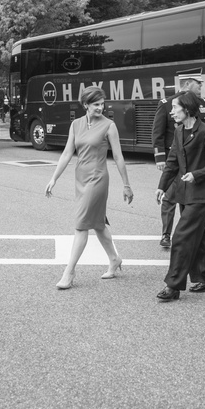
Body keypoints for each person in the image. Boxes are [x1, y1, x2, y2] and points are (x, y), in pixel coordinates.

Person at [45, 85, 133, 290]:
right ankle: (114, 259)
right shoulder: (76, 124)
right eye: (96, 104)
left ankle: (69, 272)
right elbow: (67, 153)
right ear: (85, 105)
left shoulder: (109, 126)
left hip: (98, 179)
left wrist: (126, 185)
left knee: (81, 225)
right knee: (98, 224)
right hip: (81, 178)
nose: (100, 108)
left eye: (102, 104)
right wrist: (53, 178)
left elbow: (118, 157)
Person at [154, 91, 205, 301]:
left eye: (175, 108)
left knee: (182, 237)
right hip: (183, 193)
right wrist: (162, 187)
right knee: (199, 236)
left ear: (187, 109)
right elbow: (172, 162)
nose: (172, 112)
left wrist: (197, 174)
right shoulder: (178, 131)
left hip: (200, 194)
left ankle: (173, 285)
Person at [152, 73, 205, 249]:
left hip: (194, 161)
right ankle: (166, 234)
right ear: (187, 84)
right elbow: (158, 132)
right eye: (198, 84)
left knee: (189, 199)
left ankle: (188, 232)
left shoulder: (203, 104)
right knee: (169, 197)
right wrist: (160, 157)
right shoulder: (168, 104)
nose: (201, 87)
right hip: (174, 158)